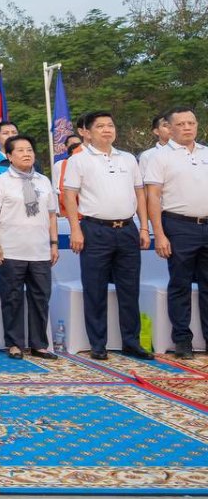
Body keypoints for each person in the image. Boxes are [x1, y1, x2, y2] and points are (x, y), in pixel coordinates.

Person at [62, 110, 152, 360]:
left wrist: (144, 227)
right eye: (100, 126)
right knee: (95, 289)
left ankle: (131, 342)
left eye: (110, 125)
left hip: (127, 229)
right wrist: (75, 229)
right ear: (87, 133)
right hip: (95, 230)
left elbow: (140, 193)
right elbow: (69, 196)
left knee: (129, 289)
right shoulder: (79, 160)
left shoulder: (128, 159)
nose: (106, 130)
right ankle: (98, 344)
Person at [0, 135, 60, 359]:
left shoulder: (43, 181)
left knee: (40, 298)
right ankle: (15, 344)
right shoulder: (1, 182)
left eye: (29, 149)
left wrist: (54, 243)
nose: (26, 154)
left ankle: (39, 344)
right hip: (11, 249)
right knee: (12, 298)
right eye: (20, 150)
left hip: (40, 250)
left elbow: (52, 215)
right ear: (9, 156)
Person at [145, 107, 208, 358]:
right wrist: (159, 233)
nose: (187, 127)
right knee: (180, 284)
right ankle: (182, 339)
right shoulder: (159, 157)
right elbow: (153, 197)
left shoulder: (205, 152)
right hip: (178, 225)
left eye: (191, 123)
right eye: (181, 124)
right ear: (169, 129)